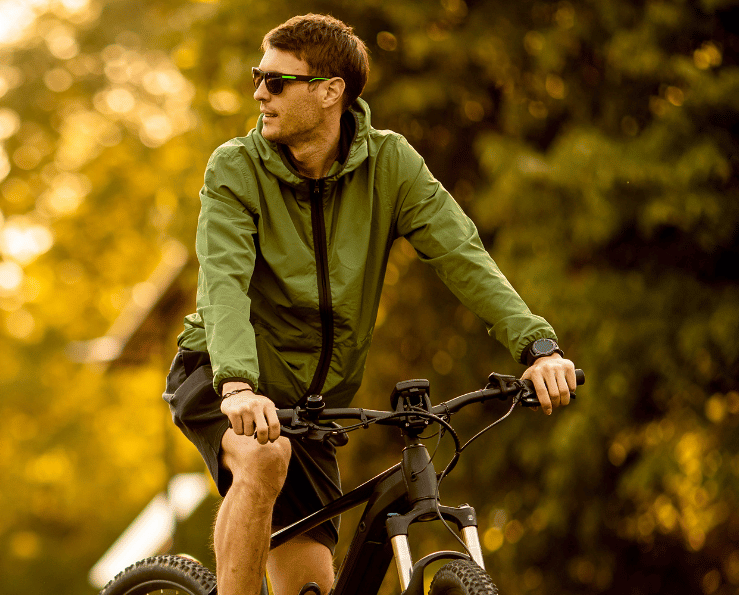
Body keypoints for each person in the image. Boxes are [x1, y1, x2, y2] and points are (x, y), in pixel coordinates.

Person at [160, 14, 579, 595]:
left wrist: (537, 347)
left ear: (331, 92)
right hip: (221, 372)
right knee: (262, 459)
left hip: (312, 402)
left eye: (276, 81)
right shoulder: (236, 168)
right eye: (259, 77)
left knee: (309, 587)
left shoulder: (391, 164)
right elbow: (223, 283)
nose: (258, 92)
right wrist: (238, 385)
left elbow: (461, 255)